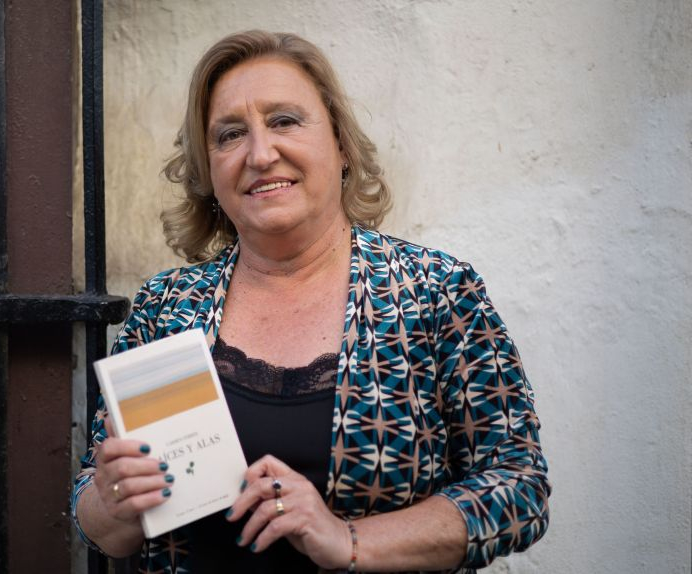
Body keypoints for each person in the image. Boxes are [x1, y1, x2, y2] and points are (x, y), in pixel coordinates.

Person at [71, 30, 550, 573]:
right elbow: (97, 516)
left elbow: (519, 487)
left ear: (341, 144)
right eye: (230, 134)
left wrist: (348, 539)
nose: (260, 153)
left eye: (284, 121)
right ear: (209, 172)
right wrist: (114, 505)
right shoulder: (168, 306)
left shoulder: (434, 292)